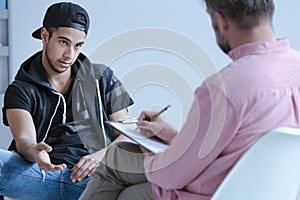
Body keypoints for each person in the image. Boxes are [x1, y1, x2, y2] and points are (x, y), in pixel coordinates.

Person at [79, 0, 300, 199]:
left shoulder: (223, 88)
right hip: (270, 192)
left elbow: (171, 175)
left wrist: (152, 152)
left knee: (117, 160)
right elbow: (232, 146)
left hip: (213, 192)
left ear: (220, 20)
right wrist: (172, 136)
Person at [0, 2, 134, 200]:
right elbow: (24, 140)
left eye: (78, 45)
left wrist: (100, 157)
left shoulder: (102, 78)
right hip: (41, 176)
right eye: (63, 42)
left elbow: (129, 134)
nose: (69, 55)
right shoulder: (20, 90)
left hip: (94, 179)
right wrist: (35, 152)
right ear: (45, 36)